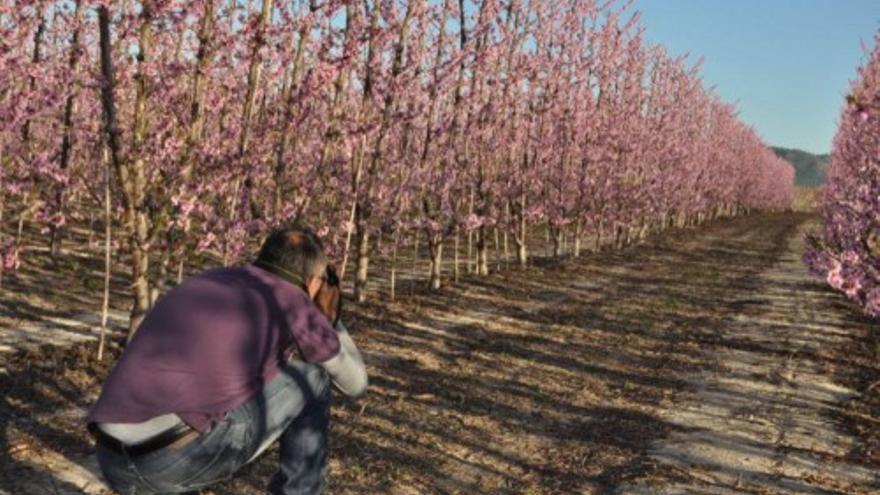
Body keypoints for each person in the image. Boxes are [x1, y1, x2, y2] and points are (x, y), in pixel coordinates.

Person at [86, 226, 368, 495]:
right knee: (312, 376)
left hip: (109, 458)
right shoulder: (296, 304)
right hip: (165, 465)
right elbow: (356, 384)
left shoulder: (210, 279)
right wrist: (328, 319)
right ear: (314, 281)